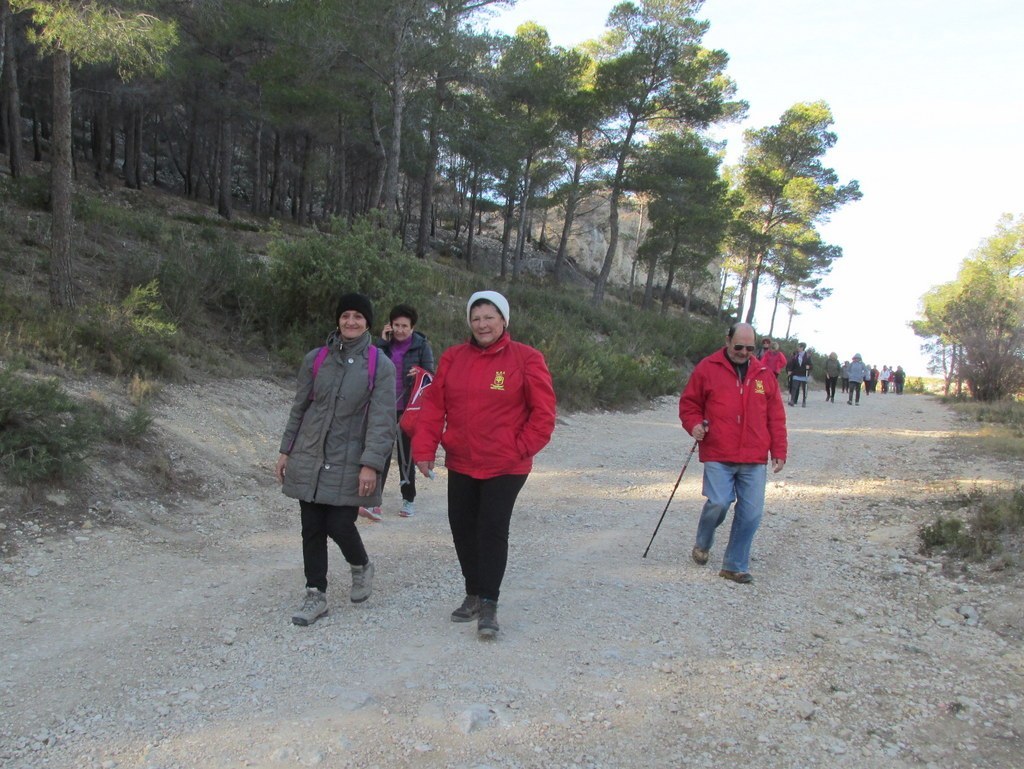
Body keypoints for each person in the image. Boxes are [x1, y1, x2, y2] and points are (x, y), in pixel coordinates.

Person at [412, 291, 556, 639]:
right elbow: (433, 407)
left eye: (490, 316)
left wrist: (519, 448)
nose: (482, 324)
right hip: (462, 459)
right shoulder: (453, 358)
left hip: (506, 465)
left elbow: (544, 413)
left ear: (504, 320)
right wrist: (424, 448)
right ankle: (473, 592)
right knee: (462, 526)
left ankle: (489, 602)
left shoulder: (526, 358)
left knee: (491, 529)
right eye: (476, 318)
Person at [275, 292, 397, 626]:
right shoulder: (316, 359)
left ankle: (361, 565)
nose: (351, 322)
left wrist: (370, 464)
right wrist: (286, 451)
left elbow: (383, 421)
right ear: (338, 320)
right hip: (310, 454)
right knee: (311, 526)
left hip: (351, 458)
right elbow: (300, 407)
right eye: (345, 316)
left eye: (358, 316)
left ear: (368, 322)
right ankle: (315, 594)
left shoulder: (380, 365)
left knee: (339, 523)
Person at [679, 323, 787, 584]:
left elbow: (776, 416)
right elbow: (689, 404)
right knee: (719, 502)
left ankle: (734, 565)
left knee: (751, 513)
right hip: (718, 451)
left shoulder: (764, 374)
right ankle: (703, 541)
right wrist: (694, 425)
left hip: (754, 455)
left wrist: (779, 450)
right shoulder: (707, 368)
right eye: (738, 346)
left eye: (749, 348)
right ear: (727, 340)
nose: (743, 352)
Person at [366, 304, 435, 520]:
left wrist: (420, 373)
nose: (400, 330)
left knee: (406, 456)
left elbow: (431, 377)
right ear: (390, 325)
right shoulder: (384, 345)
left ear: (412, 327)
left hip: (409, 409)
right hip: (384, 407)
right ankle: (374, 501)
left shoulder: (422, 346)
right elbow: (371, 365)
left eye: (405, 326)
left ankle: (408, 499)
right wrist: (381, 342)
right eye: (396, 325)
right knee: (381, 454)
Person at [786, 342, 813, 407]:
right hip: (796, 373)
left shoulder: (807, 356)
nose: (797, 348)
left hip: (804, 374)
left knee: (804, 388)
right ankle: (792, 400)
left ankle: (804, 401)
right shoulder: (796, 356)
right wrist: (789, 370)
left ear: (802, 348)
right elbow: (792, 364)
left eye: (799, 347)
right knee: (794, 387)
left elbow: (811, 365)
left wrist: (809, 367)